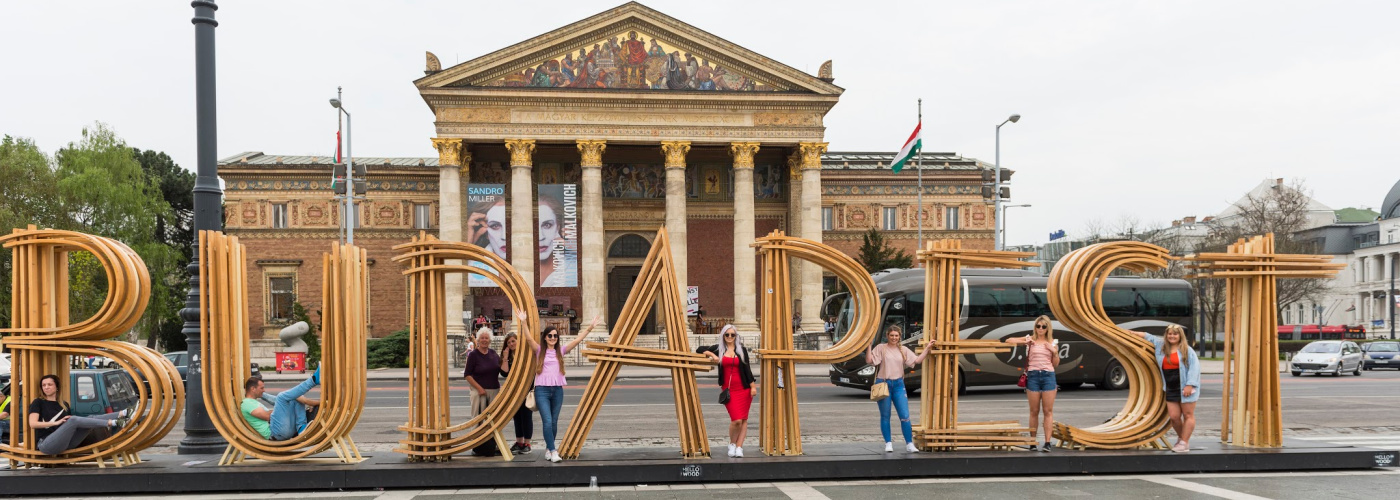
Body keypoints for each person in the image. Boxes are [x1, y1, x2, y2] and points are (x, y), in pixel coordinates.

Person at [522, 312, 600, 463]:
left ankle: (547, 449)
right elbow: (528, 338)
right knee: (547, 421)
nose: (552, 338)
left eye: (555, 336)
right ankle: (553, 450)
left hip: (557, 390)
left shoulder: (561, 351)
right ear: (545, 337)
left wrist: (590, 328)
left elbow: (577, 340)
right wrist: (524, 322)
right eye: (550, 336)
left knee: (554, 422)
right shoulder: (539, 351)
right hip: (542, 390)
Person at [865, 325, 935, 453]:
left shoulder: (903, 350)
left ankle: (909, 444)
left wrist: (927, 348)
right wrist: (869, 345)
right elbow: (870, 360)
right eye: (891, 335)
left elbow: (917, 361)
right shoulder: (881, 348)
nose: (894, 338)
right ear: (887, 336)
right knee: (885, 415)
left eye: (896, 336)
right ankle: (888, 443)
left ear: (899, 336)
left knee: (905, 416)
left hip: (898, 385)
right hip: (883, 383)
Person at [1134, 324, 1200, 453]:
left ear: (1180, 336)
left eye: (1175, 334)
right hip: (1170, 387)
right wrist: (1128, 332)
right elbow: (1147, 336)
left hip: (1185, 386)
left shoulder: (1187, 350)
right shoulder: (1160, 346)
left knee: (1187, 415)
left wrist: (1190, 384)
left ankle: (1184, 442)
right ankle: (1182, 439)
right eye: (1170, 333)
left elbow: (1194, 367)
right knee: (1174, 417)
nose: (1172, 336)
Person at [27, 374, 130, 455]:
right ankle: (114, 422)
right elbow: (33, 424)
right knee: (74, 420)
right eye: (43, 385)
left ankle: (124, 413)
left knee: (88, 419)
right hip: (46, 444)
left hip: (67, 443)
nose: (46, 387)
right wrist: (55, 423)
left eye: (50, 384)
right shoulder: (38, 402)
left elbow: (68, 427)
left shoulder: (64, 405)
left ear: (57, 387)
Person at [1002, 315, 1061, 452]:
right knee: (1034, 411)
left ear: (1048, 328)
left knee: (1048, 411)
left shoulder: (1052, 342)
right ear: (1035, 327)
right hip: (1033, 376)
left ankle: (1047, 442)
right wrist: (1024, 341)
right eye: (1038, 326)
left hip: (1048, 376)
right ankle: (1033, 442)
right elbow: (1008, 340)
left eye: (1043, 326)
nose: (1040, 328)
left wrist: (1055, 352)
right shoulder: (1030, 340)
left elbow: (1055, 364)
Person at [696, 324, 756, 458]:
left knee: (744, 419)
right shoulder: (719, 349)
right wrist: (713, 355)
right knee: (736, 420)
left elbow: (747, 369)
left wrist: (752, 386)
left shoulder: (742, 350)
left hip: (744, 388)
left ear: (736, 336)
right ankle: (732, 444)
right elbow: (699, 349)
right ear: (723, 335)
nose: (729, 337)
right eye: (727, 334)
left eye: (732, 335)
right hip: (730, 390)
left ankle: (739, 447)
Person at [241, 369, 321, 441]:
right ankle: (313, 380)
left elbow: (279, 404)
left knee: (293, 397)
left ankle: (301, 427)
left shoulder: (254, 402)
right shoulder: (247, 403)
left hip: (283, 429)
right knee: (281, 397)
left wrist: (281, 408)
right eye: (261, 388)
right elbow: (267, 416)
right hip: (275, 433)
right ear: (253, 389)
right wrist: (280, 410)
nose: (264, 390)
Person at [499, 332, 533, 454]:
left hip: (525, 390)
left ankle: (527, 443)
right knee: (517, 417)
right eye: (508, 342)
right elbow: (504, 373)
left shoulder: (526, 355)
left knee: (526, 416)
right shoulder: (508, 356)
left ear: (518, 341)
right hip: (513, 391)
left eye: (513, 341)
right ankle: (519, 442)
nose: (511, 344)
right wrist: (505, 357)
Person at [464, 327, 502, 418]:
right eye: (482, 338)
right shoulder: (473, 355)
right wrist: (479, 389)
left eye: (486, 338)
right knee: (478, 420)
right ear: (478, 340)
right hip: (479, 392)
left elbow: (501, 369)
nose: (484, 340)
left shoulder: (493, 353)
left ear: (490, 340)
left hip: (494, 391)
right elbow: (467, 375)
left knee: (493, 420)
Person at [537, 193, 571, 288]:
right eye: (534, 227)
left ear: (558, 226)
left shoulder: (570, 267)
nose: (540, 237)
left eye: (547, 225)